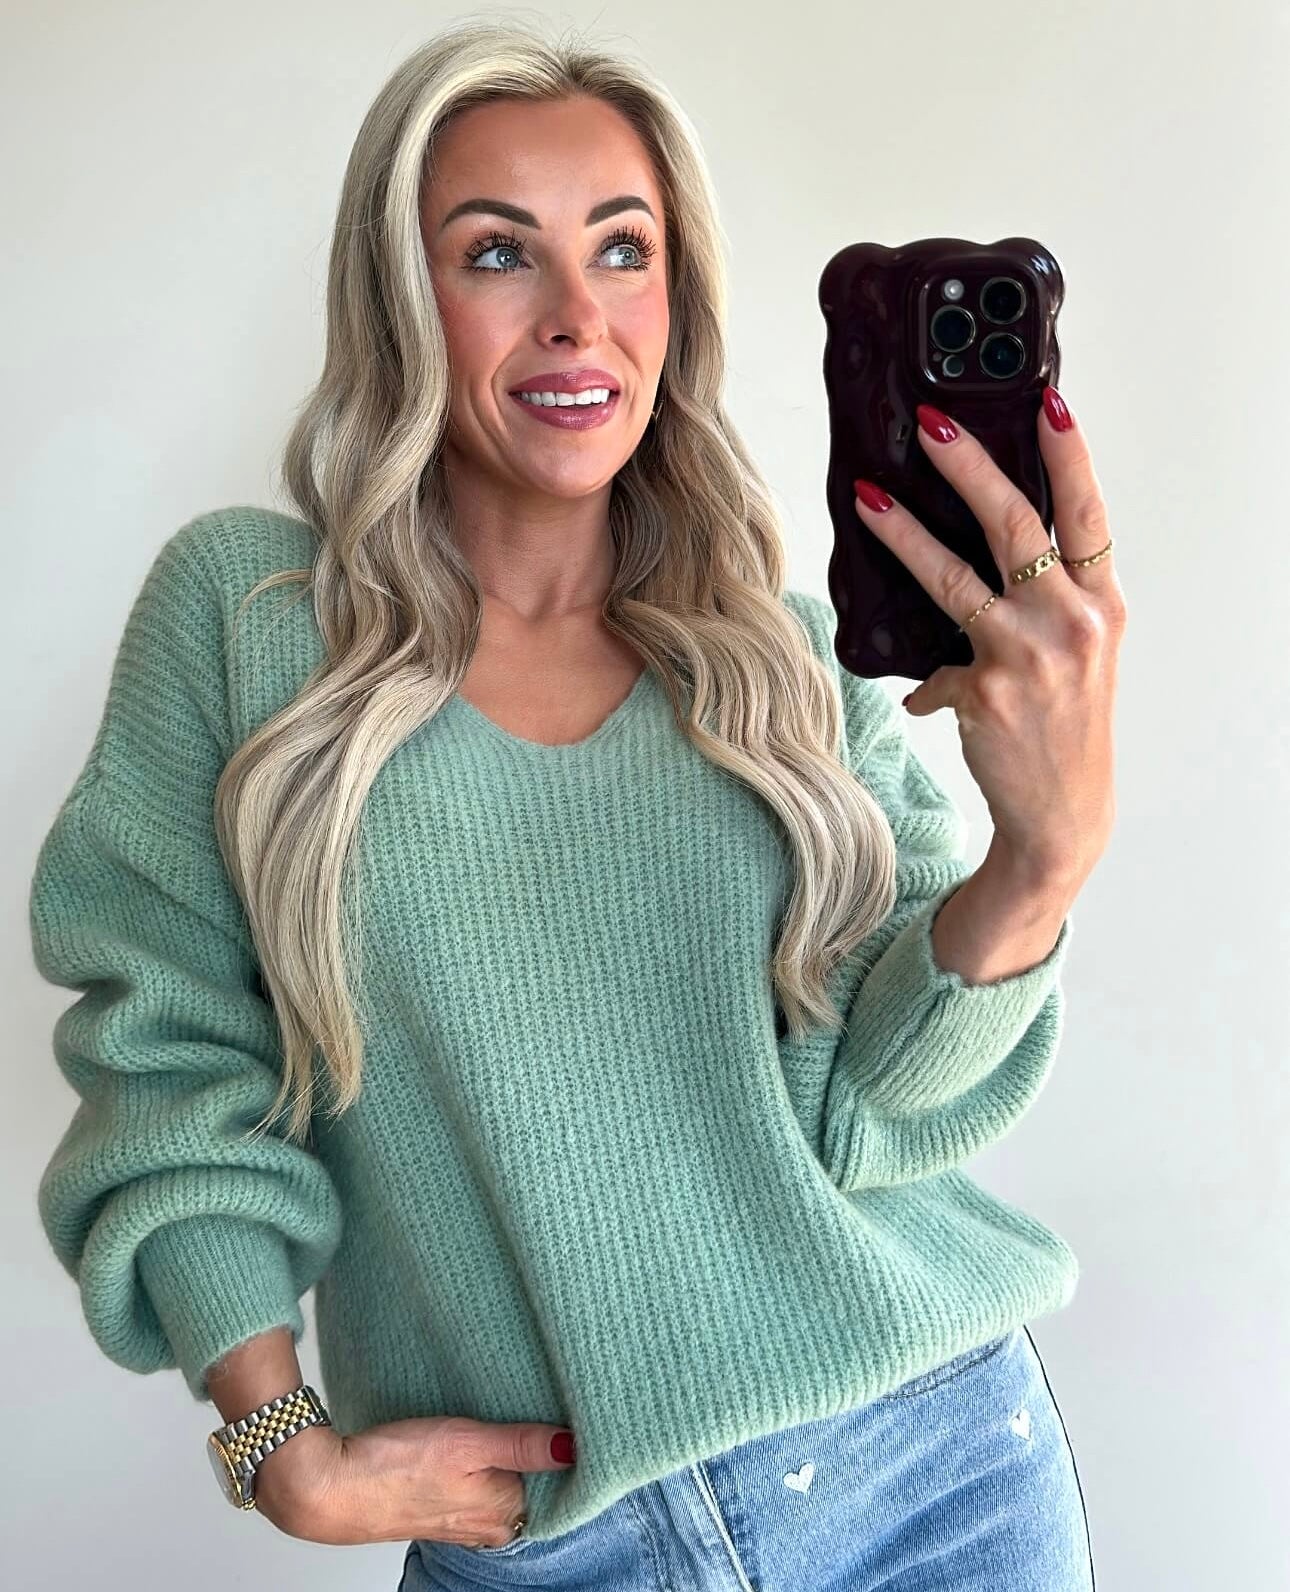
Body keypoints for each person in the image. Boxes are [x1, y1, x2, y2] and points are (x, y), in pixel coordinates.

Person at [29, 18, 1123, 1590]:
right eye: (496, 254)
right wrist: (280, 1446)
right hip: (547, 1543)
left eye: (623, 250)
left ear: (676, 301)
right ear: (397, 297)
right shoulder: (249, 622)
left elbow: (879, 1116)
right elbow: (168, 1055)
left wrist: (1043, 855)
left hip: (931, 1482)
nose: (574, 316)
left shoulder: (783, 665)